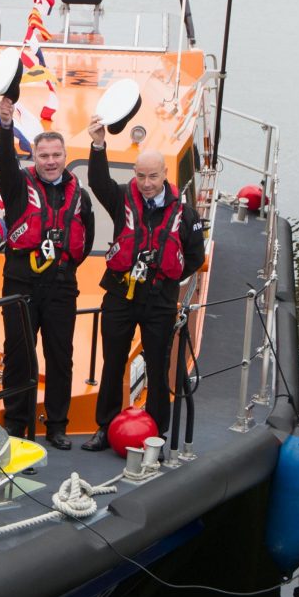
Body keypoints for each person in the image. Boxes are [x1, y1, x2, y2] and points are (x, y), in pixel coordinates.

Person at [81, 119, 206, 451]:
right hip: (121, 294)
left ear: (165, 174)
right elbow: (97, 181)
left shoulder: (186, 214)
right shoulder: (121, 199)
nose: (146, 183)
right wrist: (97, 145)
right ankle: (104, 428)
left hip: (160, 299)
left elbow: (194, 256)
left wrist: (165, 276)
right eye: (140, 176)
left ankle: (155, 434)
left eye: (152, 176)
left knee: (157, 366)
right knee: (113, 363)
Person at [0, 97, 95, 449]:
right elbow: (4, 161)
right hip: (21, 282)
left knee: (59, 356)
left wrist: (63, 267)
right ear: (33, 158)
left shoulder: (80, 196)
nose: (50, 162)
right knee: (18, 355)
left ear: (65, 157)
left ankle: (56, 425)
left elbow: (87, 236)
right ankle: (16, 423)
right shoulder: (17, 186)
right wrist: (5, 125)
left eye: (56, 155)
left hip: (61, 285)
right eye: (43, 156)